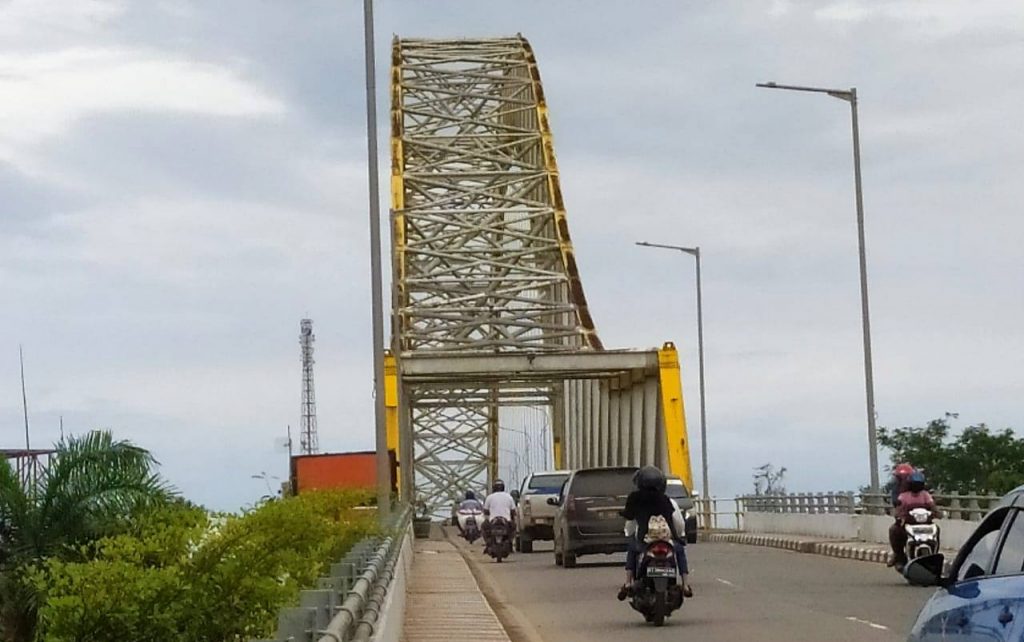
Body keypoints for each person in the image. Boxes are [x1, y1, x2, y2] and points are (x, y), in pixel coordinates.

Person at [618, 466, 692, 600]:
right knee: (680, 551)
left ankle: (628, 583)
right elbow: (677, 522)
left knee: (632, 550)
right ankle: (686, 584)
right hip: (666, 540)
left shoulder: (635, 498)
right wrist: (679, 536)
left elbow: (630, 521)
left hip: (645, 540)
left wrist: (628, 531)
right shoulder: (666, 500)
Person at [888, 471, 939, 569]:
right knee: (894, 530)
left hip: (925, 524)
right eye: (915, 484)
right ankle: (899, 556)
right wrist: (898, 516)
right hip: (908, 523)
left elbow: (933, 506)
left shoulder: (925, 495)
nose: (917, 487)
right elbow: (898, 509)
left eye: (919, 484)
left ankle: (935, 554)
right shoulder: (904, 496)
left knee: (937, 529)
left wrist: (937, 513)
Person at [482, 480, 516, 554]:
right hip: (506, 520)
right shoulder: (509, 497)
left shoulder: (489, 497)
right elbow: (513, 511)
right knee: (513, 529)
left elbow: (485, 511)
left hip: (493, 520)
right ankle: (510, 544)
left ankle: (488, 544)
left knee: (484, 528)